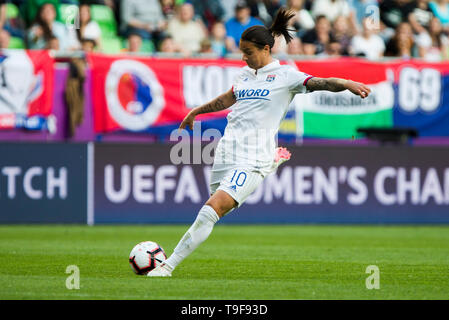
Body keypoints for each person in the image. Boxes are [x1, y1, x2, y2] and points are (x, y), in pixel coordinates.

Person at [147, 8, 371, 277]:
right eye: (242, 51)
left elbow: (320, 82)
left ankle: (167, 266)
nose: (243, 57)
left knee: (211, 209)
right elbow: (227, 99)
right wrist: (196, 111)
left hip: (253, 159)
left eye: (248, 52)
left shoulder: (286, 76)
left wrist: (345, 82)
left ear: (266, 49)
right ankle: (272, 162)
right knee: (216, 207)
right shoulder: (244, 76)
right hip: (227, 152)